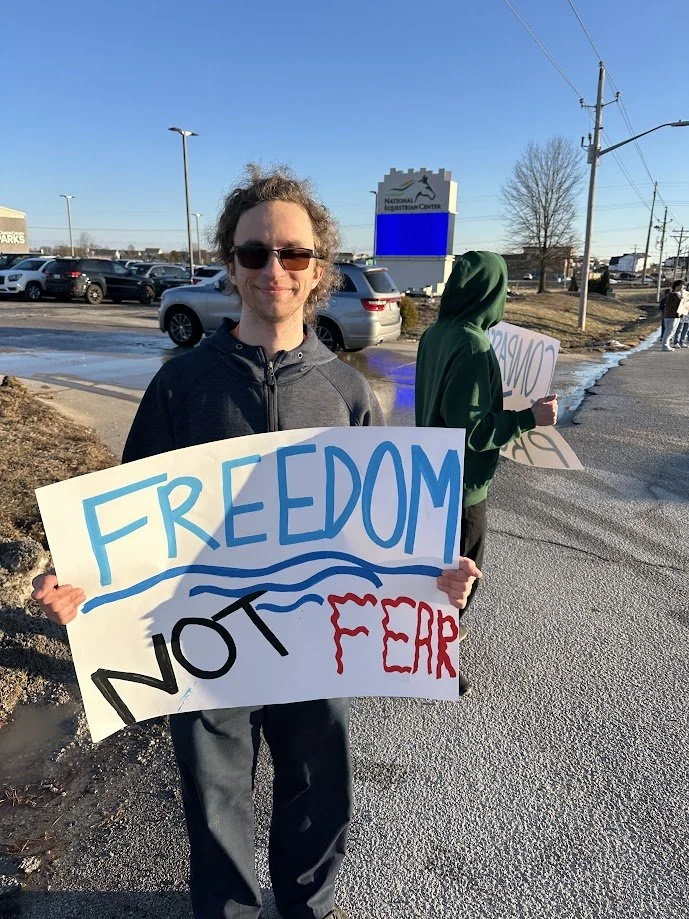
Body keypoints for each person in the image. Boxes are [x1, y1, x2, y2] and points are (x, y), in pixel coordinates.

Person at [31, 165, 481, 919]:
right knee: (213, 798)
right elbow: (127, 512)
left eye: (293, 254)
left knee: (317, 786)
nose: (274, 268)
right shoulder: (182, 386)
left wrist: (432, 580)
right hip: (206, 642)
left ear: (317, 271)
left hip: (312, 641)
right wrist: (76, 576)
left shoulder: (346, 392)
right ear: (230, 264)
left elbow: (384, 529)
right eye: (254, 253)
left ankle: (310, 904)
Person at [415, 250, 558, 695]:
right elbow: (472, 431)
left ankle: (423, 650)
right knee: (462, 575)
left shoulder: (434, 334)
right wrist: (529, 418)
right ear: (490, 294)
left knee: (436, 571)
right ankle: (438, 661)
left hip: (431, 474)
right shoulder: (474, 346)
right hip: (464, 486)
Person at [661, 279, 686, 351]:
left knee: (672, 331)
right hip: (670, 315)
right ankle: (665, 346)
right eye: (681, 286)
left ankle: (667, 345)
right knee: (669, 331)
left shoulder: (678, 295)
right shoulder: (672, 295)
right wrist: (680, 299)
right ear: (677, 286)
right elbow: (671, 305)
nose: (683, 288)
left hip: (676, 315)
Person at [672, 281, 689, 348]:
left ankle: (682, 342)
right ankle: (676, 342)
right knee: (679, 329)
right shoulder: (683, 293)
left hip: (688, 314)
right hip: (682, 313)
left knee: (686, 328)